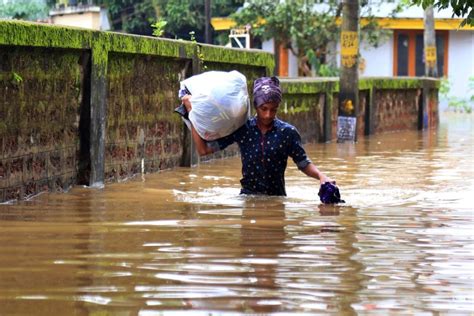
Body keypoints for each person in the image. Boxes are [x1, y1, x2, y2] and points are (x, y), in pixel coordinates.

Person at [181, 76, 334, 196]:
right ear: (255, 106)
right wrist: (192, 113)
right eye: (264, 108)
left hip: (277, 201)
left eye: (273, 110)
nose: (268, 115)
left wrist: (321, 177)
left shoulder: (287, 133)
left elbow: (303, 164)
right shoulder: (243, 129)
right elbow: (203, 150)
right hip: (248, 198)